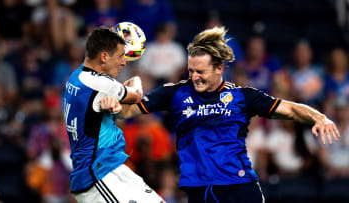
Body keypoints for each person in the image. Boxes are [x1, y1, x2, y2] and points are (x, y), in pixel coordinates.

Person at [101, 26, 341, 202]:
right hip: (201, 189)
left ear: (219, 68)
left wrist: (319, 117)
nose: (195, 76)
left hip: (241, 187)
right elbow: (127, 110)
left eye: (201, 71)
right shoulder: (174, 94)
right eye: (191, 70)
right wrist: (114, 102)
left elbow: (288, 108)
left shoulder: (243, 97)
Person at [62, 26, 164, 203]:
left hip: (112, 167)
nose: (124, 62)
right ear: (104, 56)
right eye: (120, 56)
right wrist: (136, 79)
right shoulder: (100, 84)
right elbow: (137, 94)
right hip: (97, 176)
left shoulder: (76, 76)